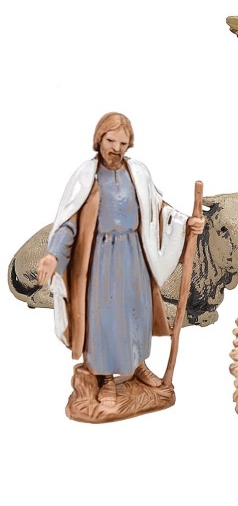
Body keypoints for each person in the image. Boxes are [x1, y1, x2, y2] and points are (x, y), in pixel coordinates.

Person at [37, 112, 205, 408]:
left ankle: (138, 366)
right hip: (100, 258)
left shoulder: (137, 172)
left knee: (136, 311)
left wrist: (185, 223)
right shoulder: (86, 177)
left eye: (123, 143)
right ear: (99, 139)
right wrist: (53, 255)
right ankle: (105, 378)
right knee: (103, 316)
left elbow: (157, 208)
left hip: (133, 254)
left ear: (130, 145)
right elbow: (69, 224)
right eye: (110, 140)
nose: (116, 148)